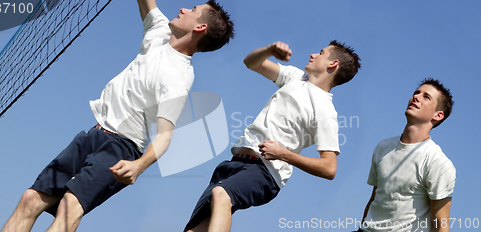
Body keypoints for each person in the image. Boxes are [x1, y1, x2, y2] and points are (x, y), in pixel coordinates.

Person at [2, 0, 234, 231]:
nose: (183, 9)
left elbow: (165, 135)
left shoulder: (178, 78)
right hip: (93, 134)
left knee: (69, 207)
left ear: (200, 28)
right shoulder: (160, 30)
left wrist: (139, 166)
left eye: (193, 10)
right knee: (30, 199)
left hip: (121, 147)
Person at [184, 40, 361, 232]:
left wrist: (283, 154)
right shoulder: (296, 77)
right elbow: (251, 62)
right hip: (233, 164)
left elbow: (329, 168)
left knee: (222, 194)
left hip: (266, 172)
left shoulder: (325, 111)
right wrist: (269, 50)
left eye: (320, 53)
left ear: (333, 64)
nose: (313, 55)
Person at [355, 78, 456, 232]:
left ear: (438, 115)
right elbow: (374, 198)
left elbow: (441, 225)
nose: (416, 97)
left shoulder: (439, 163)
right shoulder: (383, 147)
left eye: (426, 97)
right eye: (416, 93)